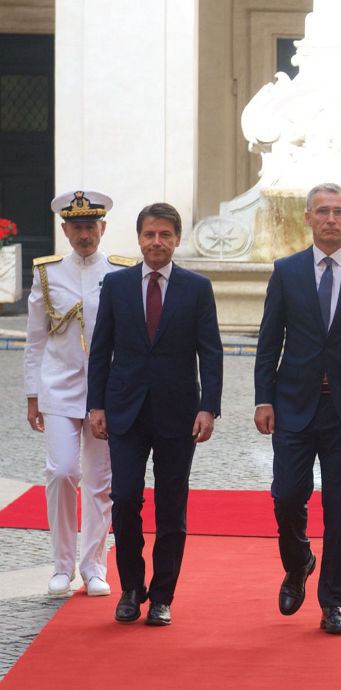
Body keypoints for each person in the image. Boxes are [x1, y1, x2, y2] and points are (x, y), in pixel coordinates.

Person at [254, 182, 341, 635]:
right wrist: (264, 398)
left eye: (338, 212)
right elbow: (268, 340)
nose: (330, 219)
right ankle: (298, 563)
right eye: (322, 212)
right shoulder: (287, 271)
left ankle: (333, 601)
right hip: (293, 405)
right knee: (287, 495)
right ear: (308, 219)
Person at [87, 202, 222, 626]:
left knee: (171, 508)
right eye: (149, 235)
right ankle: (131, 588)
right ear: (139, 238)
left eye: (165, 235)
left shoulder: (197, 288)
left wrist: (208, 408)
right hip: (125, 411)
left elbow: (211, 352)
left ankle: (162, 596)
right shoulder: (117, 284)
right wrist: (96, 404)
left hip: (178, 415)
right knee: (125, 498)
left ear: (177, 239)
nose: (157, 242)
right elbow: (101, 349)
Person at [25, 190, 133, 598]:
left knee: (100, 481)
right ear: (65, 230)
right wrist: (32, 394)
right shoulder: (48, 272)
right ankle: (62, 565)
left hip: (107, 390)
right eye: (77, 227)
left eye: (91, 226)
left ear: (103, 228)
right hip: (58, 387)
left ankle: (93, 567)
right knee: (62, 471)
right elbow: (35, 338)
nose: (85, 234)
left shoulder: (123, 271)